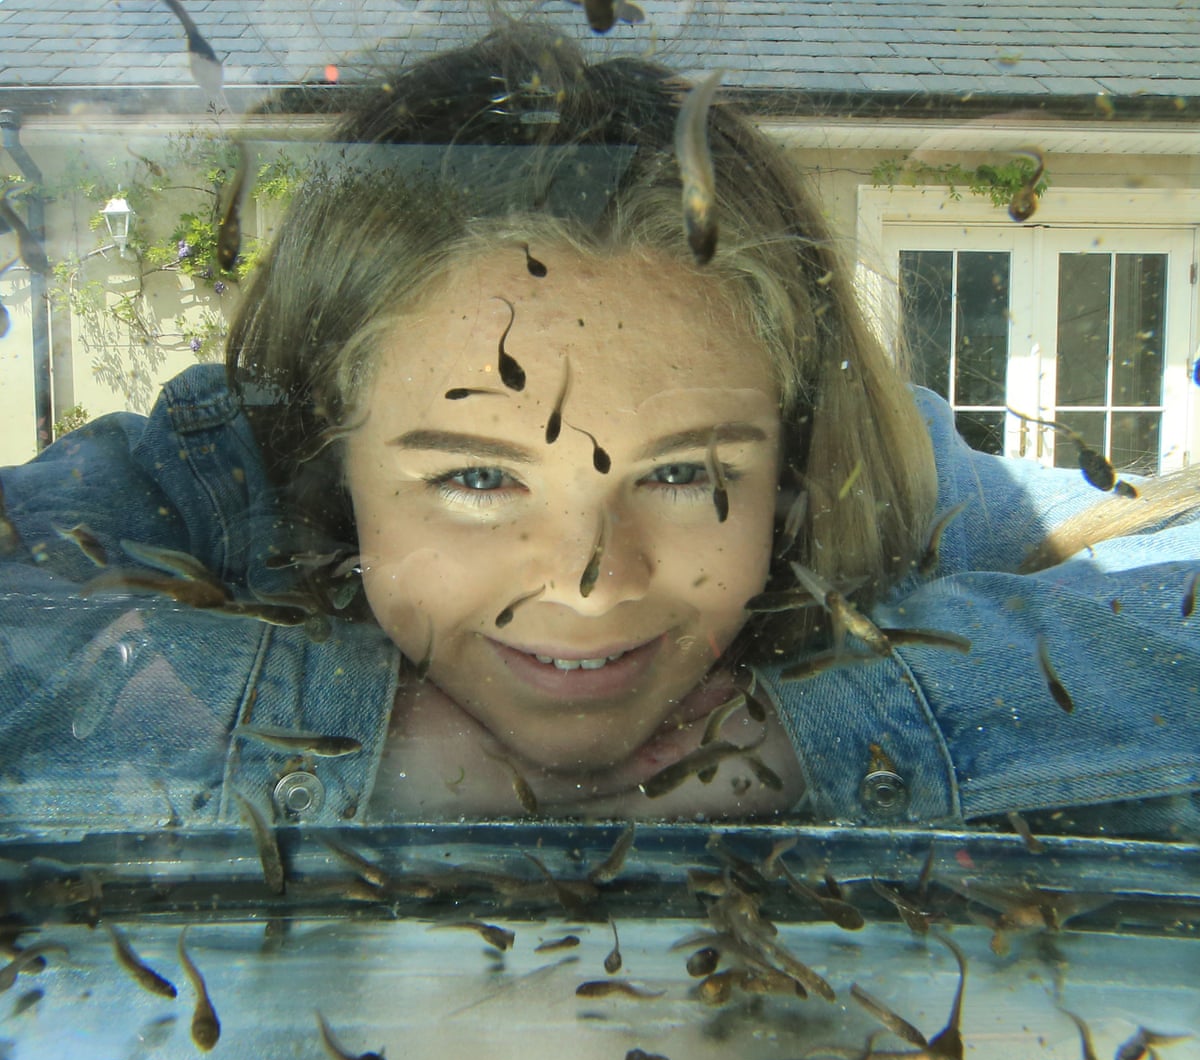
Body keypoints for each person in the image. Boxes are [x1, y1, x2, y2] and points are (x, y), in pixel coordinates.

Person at [1, 23, 1198, 835]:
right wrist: (354, 742)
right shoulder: (223, 478)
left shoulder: (869, 471)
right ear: (322, 449)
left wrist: (803, 732)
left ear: (787, 451)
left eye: (684, 473)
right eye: (476, 476)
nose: (588, 584)